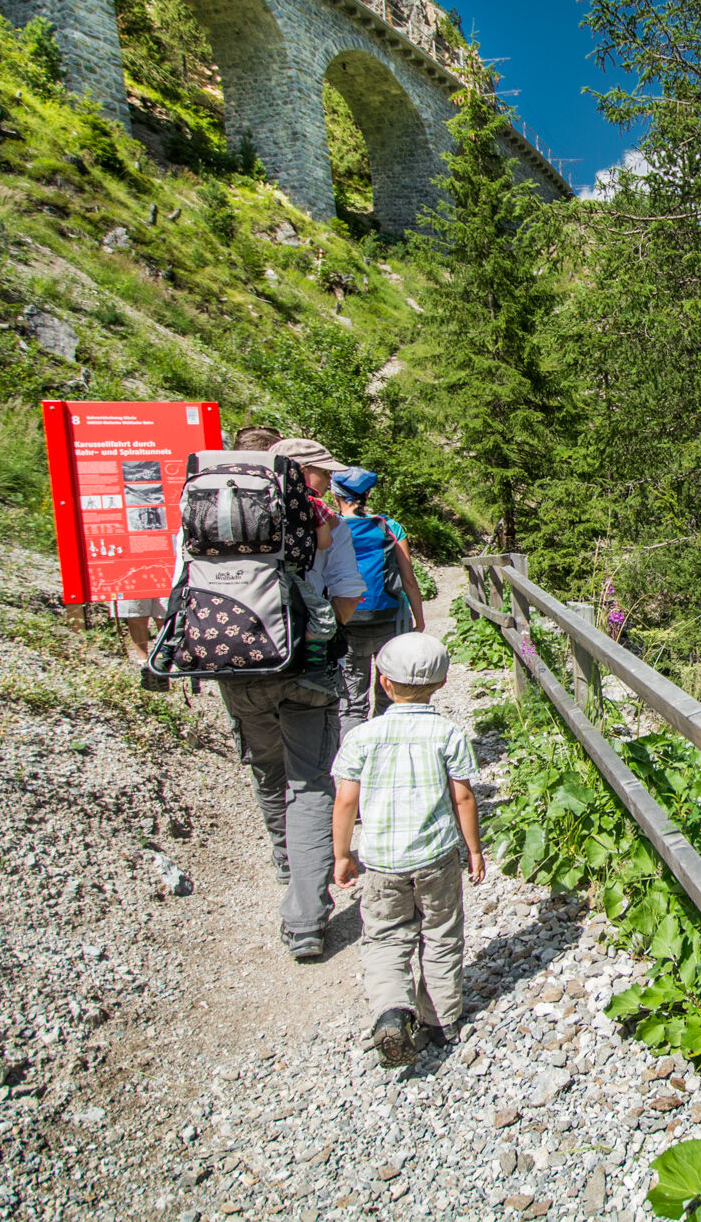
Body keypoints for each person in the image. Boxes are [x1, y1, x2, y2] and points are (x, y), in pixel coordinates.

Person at [214, 433, 366, 961]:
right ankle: (305, 912)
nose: (330, 480)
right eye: (323, 472)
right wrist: (321, 635)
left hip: (232, 668)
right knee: (309, 781)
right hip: (306, 669)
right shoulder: (327, 524)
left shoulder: (212, 515)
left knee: (267, 770)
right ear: (303, 473)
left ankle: (289, 868)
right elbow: (347, 593)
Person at [331, 633, 485, 1066]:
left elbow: (346, 800)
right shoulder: (448, 733)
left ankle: (391, 1011)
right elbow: (464, 798)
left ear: (383, 683)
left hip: (381, 862)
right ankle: (440, 1020)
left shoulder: (362, 737)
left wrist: (343, 854)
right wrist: (473, 849)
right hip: (437, 857)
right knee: (440, 933)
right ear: (442, 682)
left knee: (384, 937)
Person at [329, 467, 427, 738]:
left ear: (335, 494)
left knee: (352, 703)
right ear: (367, 494)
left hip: (346, 621)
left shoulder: (328, 527)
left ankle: (353, 769)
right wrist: (419, 618)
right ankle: (385, 754)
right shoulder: (388, 527)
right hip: (389, 619)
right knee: (389, 693)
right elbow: (408, 578)